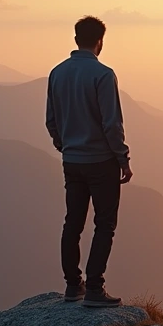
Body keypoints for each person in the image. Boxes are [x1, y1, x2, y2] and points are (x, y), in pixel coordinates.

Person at [45, 16, 134, 307]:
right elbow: (112, 124)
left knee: (73, 222)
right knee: (104, 224)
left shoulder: (57, 73)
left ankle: (74, 285)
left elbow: (51, 120)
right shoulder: (104, 75)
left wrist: (63, 144)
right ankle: (95, 288)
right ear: (100, 42)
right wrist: (122, 158)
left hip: (72, 161)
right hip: (101, 162)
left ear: (75, 40)